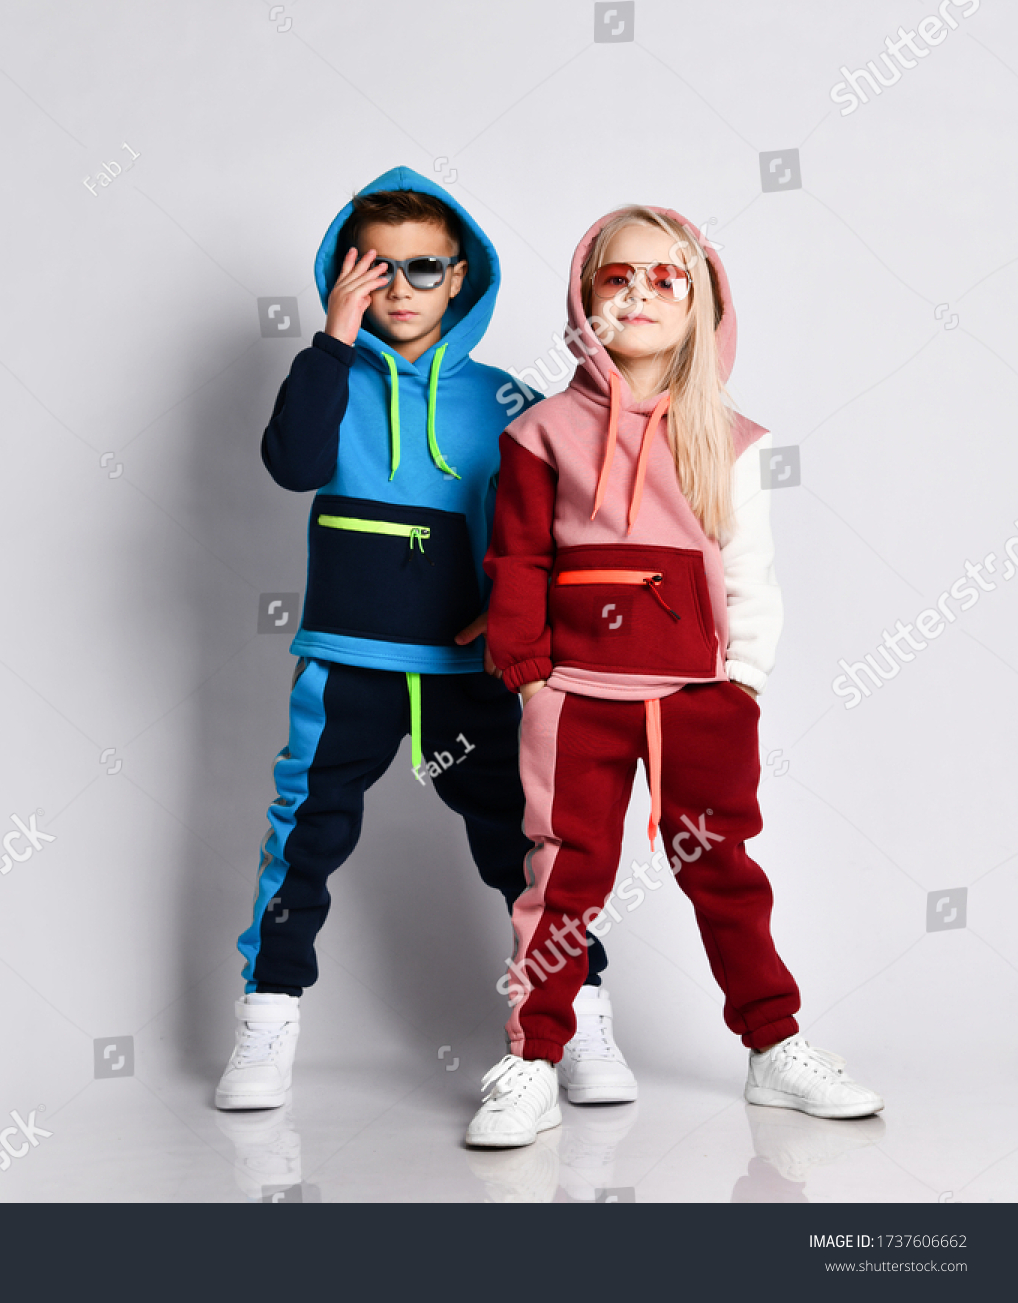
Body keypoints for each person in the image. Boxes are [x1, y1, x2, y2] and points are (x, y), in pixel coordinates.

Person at [465, 204, 884, 1149]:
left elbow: (749, 574)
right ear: (586, 298)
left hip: (699, 699)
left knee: (724, 871)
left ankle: (774, 1045)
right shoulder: (539, 434)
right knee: (563, 881)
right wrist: (532, 677)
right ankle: (531, 1062)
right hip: (577, 697)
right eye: (618, 276)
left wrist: (742, 684)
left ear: (704, 301)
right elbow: (518, 562)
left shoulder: (728, 436)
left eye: (667, 276)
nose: (641, 293)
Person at [216, 167, 630, 1113]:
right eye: (375, 269)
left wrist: (521, 605)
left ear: (462, 279)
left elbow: (564, 526)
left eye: (423, 269)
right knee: (305, 839)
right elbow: (292, 466)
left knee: (527, 844)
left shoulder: (505, 401)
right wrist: (334, 335)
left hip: (470, 671)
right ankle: (268, 1012)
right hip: (348, 662)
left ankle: (580, 1014)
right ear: (342, 276)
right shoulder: (327, 378)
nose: (400, 289)